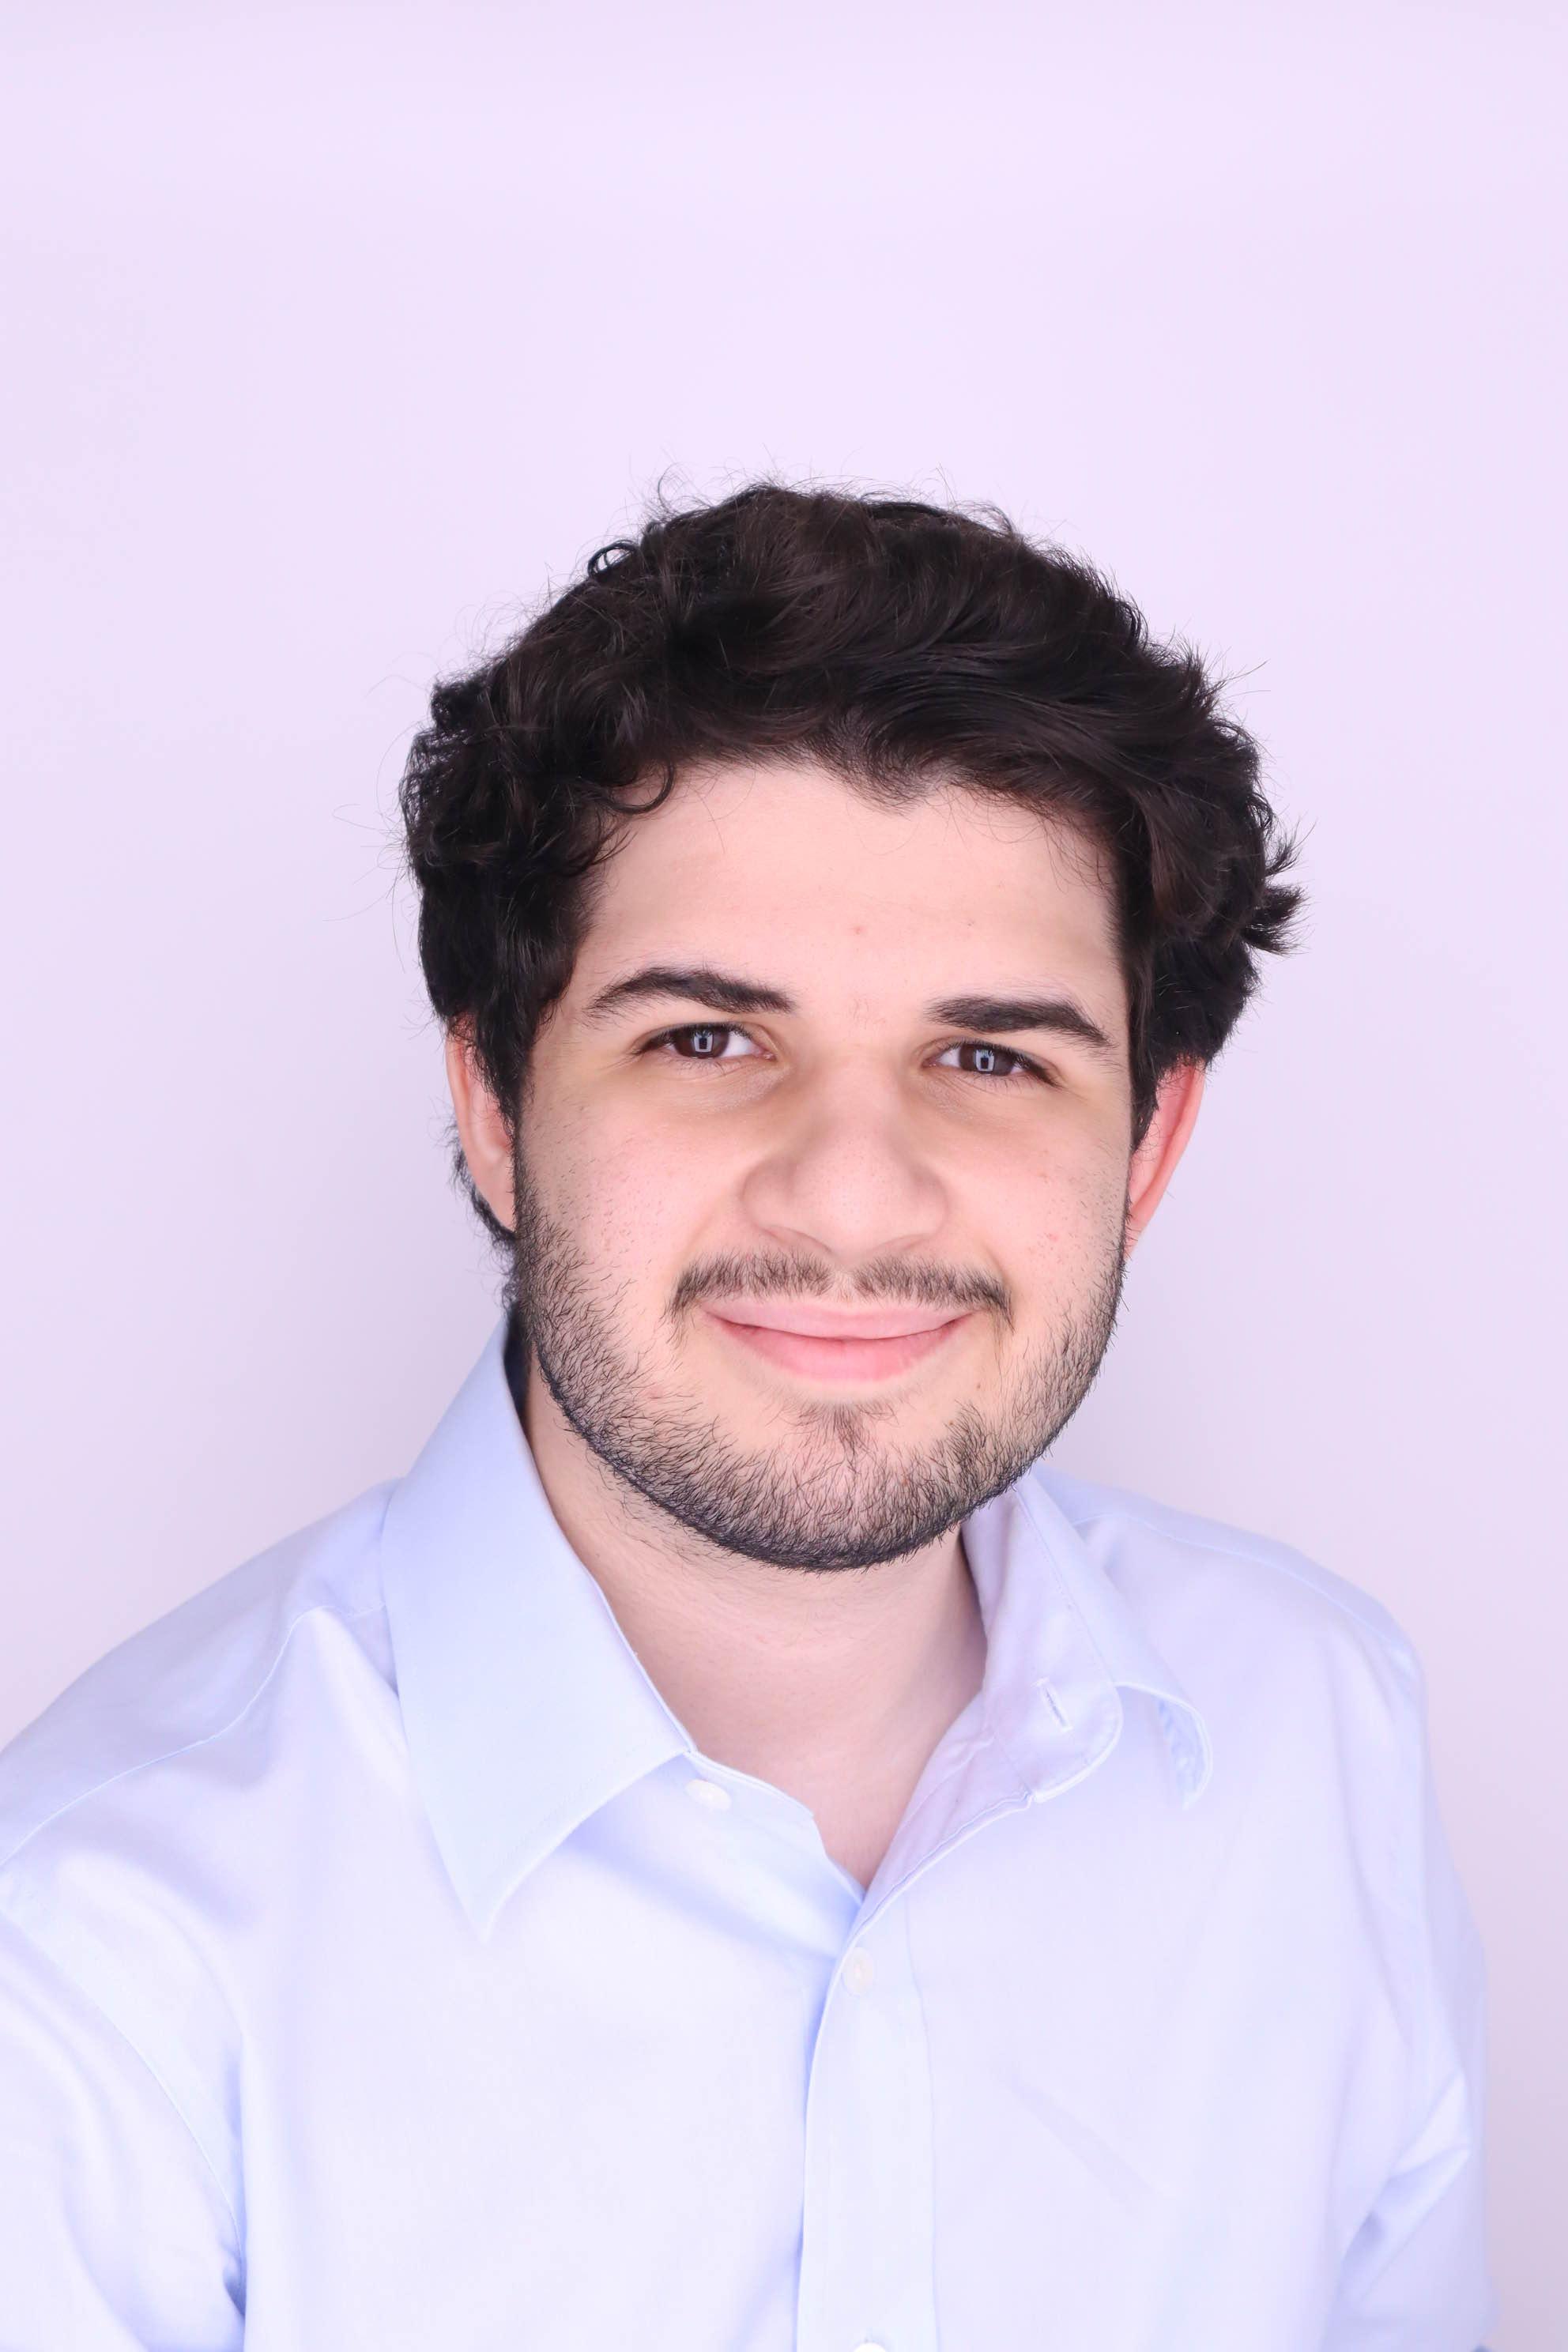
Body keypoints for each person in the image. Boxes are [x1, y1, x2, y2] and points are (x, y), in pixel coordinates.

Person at [0, 484, 1495, 2349]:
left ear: (1150, 1143)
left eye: (987, 1057)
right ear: (490, 1103)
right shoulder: (86, 1943)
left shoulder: (1316, 1731)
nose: (849, 1201)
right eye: (707, 1040)